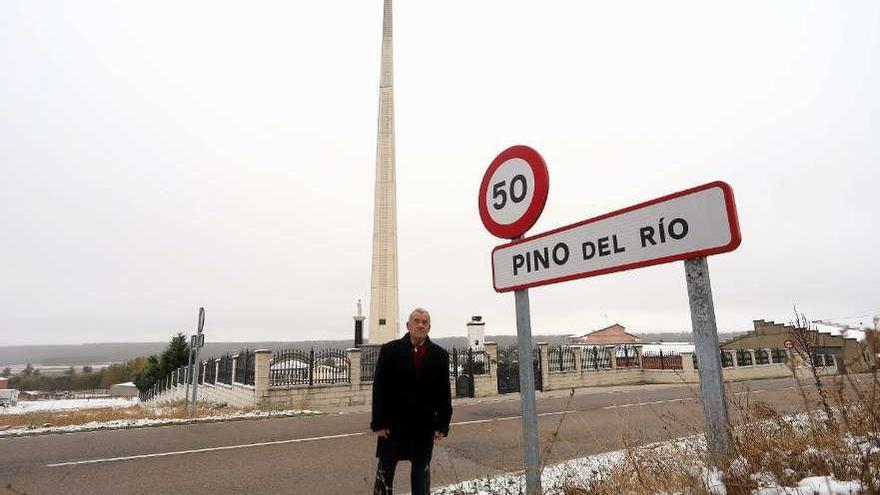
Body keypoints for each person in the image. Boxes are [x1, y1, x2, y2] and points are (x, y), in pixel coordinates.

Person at [371, 307, 453, 495]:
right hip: (393, 424)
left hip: (422, 425)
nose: (420, 325)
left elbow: (443, 392)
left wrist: (442, 424)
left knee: (421, 473)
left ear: (429, 327)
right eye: (416, 321)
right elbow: (380, 388)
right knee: (385, 471)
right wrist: (379, 422)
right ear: (408, 325)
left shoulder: (439, 355)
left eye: (424, 322)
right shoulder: (390, 351)